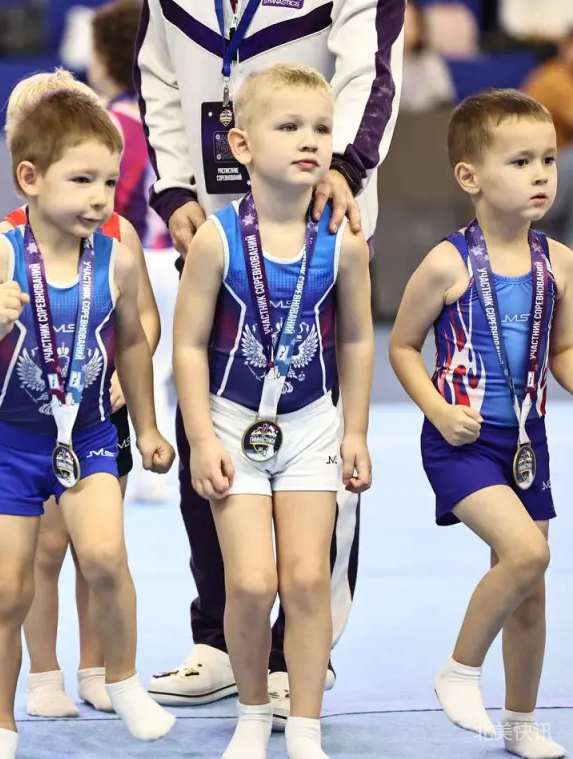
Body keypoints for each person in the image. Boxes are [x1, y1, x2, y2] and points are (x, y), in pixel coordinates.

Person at [135, 0, 406, 720]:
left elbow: (372, 68)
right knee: (212, 433)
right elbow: (158, 72)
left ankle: (297, 655)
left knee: (318, 431)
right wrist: (173, 185)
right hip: (216, 213)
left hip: (323, 210)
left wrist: (345, 163)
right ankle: (221, 637)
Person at [0, 87, 177, 759]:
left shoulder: (118, 255)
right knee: (7, 588)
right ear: (31, 178)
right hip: (13, 444)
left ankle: (121, 678)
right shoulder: (2, 254)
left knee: (104, 556)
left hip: (92, 436)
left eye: (108, 180)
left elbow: (133, 344)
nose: (100, 197)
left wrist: (149, 427)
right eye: (82, 180)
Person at [175, 62, 373, 759]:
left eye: (320, 127)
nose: (309, 139)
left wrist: (355, 431)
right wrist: (201, 438)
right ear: (242, 145)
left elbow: (357, 338)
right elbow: (188, 346)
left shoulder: (344, 242)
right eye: (288, 126)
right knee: (253, 583)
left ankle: (307, 727)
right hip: (233, 425)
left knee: (308, 579)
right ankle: (254, 712)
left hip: (313, 424)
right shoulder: (217, 238)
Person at [389, 88, 568, 759]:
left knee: (530, 593)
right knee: (528, 554)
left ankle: (521, 725)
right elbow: (402, 346)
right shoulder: (448, 262)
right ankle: (459, 670)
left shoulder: (560, 264)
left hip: (527, 442)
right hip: (460, 441)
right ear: (470, 177)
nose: (541, 174)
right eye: (521, 162)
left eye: (548, 159)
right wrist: (438, 410)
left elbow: (562, 351)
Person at [0, 67, 160, 719]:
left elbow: (142, 324)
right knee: (44, 548)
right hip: (37, 420)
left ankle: (99, 666)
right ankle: (44, 672)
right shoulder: (8, 240)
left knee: (100, 550)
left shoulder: (118, 236)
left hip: (99, 414)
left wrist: (118, 381)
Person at [88, 0, 177, 504]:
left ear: (105, 57)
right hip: (175, 257)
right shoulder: (166, 115)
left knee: (137, 359)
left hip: (134, 255)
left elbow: (111, 202)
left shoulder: (110, 122)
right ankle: (159, 464)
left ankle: (147, 469)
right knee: (164, 363)